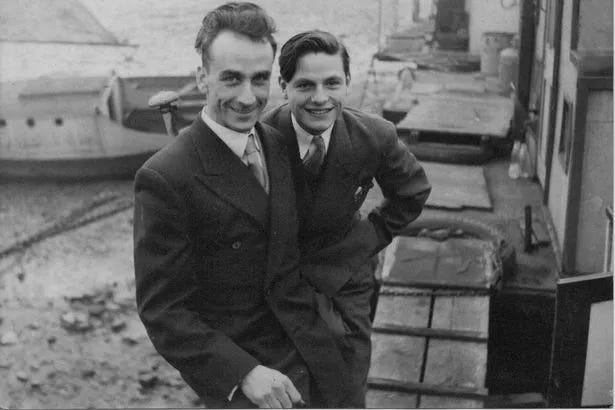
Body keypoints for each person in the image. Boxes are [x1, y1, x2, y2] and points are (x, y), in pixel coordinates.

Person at [133, 6, 349, 408]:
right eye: (231, 78)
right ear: (202, 77)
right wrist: (242, 373)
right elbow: (163, 311)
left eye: (259, 79)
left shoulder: (277, 143)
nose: (248, 97)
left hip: (314, 351)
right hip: (251, 377)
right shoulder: (166, 176)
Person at [262, 30, 431, 407]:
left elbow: (412, 192)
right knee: (282, 387)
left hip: (345, 275)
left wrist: (364, 241)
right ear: (283, 86)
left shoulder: (374, 136)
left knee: (347, 384)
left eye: (332, 83)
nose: (320, 98)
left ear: (348, 82)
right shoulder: (259, 140)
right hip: (277, 279)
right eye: (305, 85)